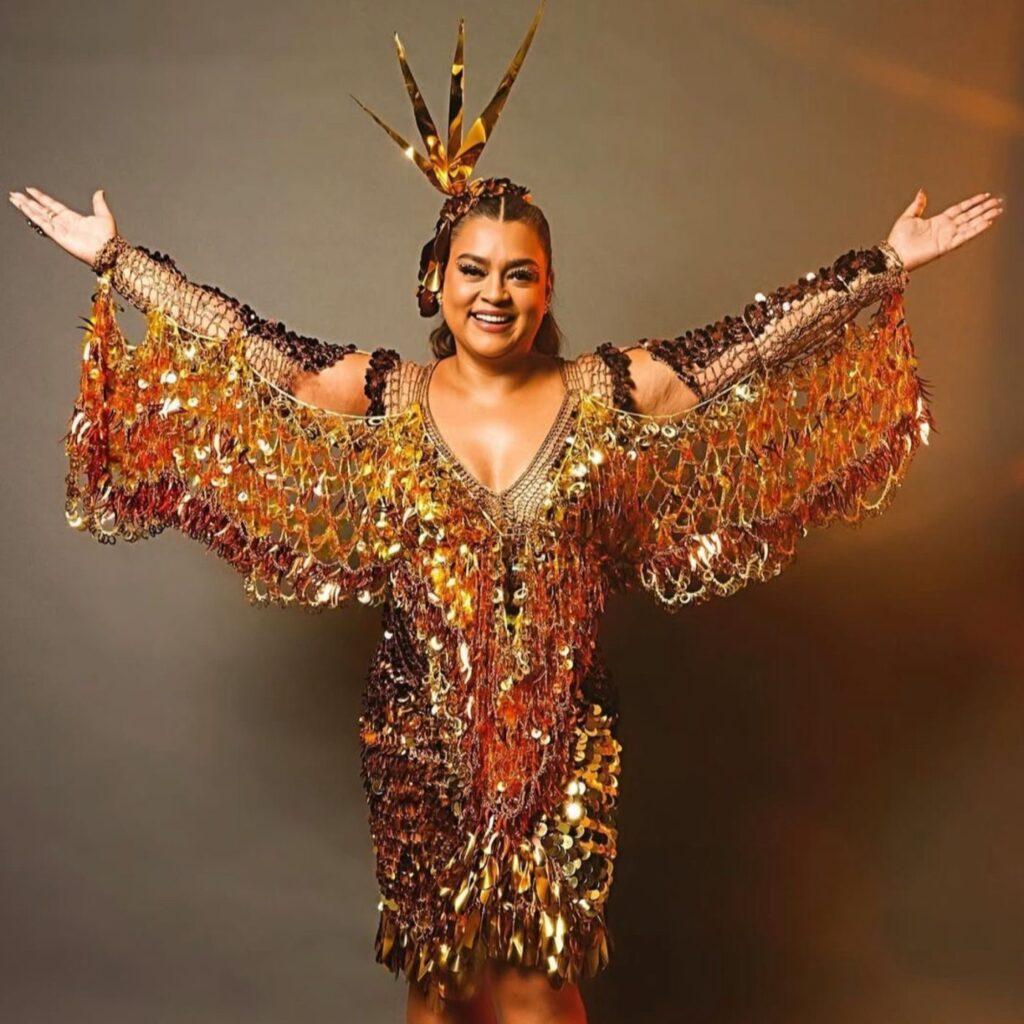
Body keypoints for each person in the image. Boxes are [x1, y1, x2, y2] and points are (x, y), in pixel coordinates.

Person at [8, 3, 1003, 1021]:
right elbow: (254, 353)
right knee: (441, 993)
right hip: (420, 737)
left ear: (547, 287)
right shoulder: (383, 396)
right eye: (473, 270)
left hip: (562, 744)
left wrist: (883, 265)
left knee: (535, 993)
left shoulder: (609, 392)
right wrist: (118, 262)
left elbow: (749, 347)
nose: (494, 292)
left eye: (518, 273)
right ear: (435, 281)